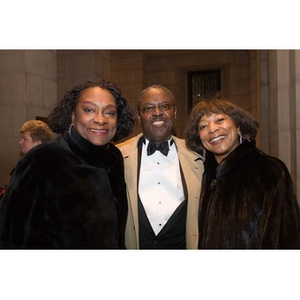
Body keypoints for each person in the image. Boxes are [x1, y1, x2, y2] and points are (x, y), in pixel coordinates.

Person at [0, 79, 135, 249]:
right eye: (89, 110)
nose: (101, 119)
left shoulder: (114, 158)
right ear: (72, 115)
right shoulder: (43, 158)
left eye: (110, 112)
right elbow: (12, 235)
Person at [185, 98, 300, 249]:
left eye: (220, 120)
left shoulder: (269, 169)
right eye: (203, 126)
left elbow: (287, 236)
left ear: (238, 126)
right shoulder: (205, 175)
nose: (212, 129)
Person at [117, 85, 204, 249]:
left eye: (165, 106)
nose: (157, 112)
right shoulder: (117, 156)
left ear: (175, 112)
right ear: (139, 116)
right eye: (148, 108)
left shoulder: (198, 154)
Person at [0, 120, 54, 205]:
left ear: (38, 143)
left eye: (24, 139)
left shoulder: (41, 169)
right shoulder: (29, 163)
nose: (20, 142)